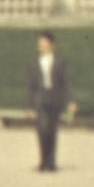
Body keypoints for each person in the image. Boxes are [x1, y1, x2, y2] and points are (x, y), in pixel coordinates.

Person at [28, 31, 72, 172]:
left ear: (51, 45)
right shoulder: (34, 63)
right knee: (42, 130)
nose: (40, 46)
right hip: (40, 99)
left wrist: (70, 100)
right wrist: (29, 105)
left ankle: (51, 162)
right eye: (39, 44)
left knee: (52, 130)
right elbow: (31, 86)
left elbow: (66, 82)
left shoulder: (60, 62)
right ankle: (43, 160)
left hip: (54, 98)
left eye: (43, 43)